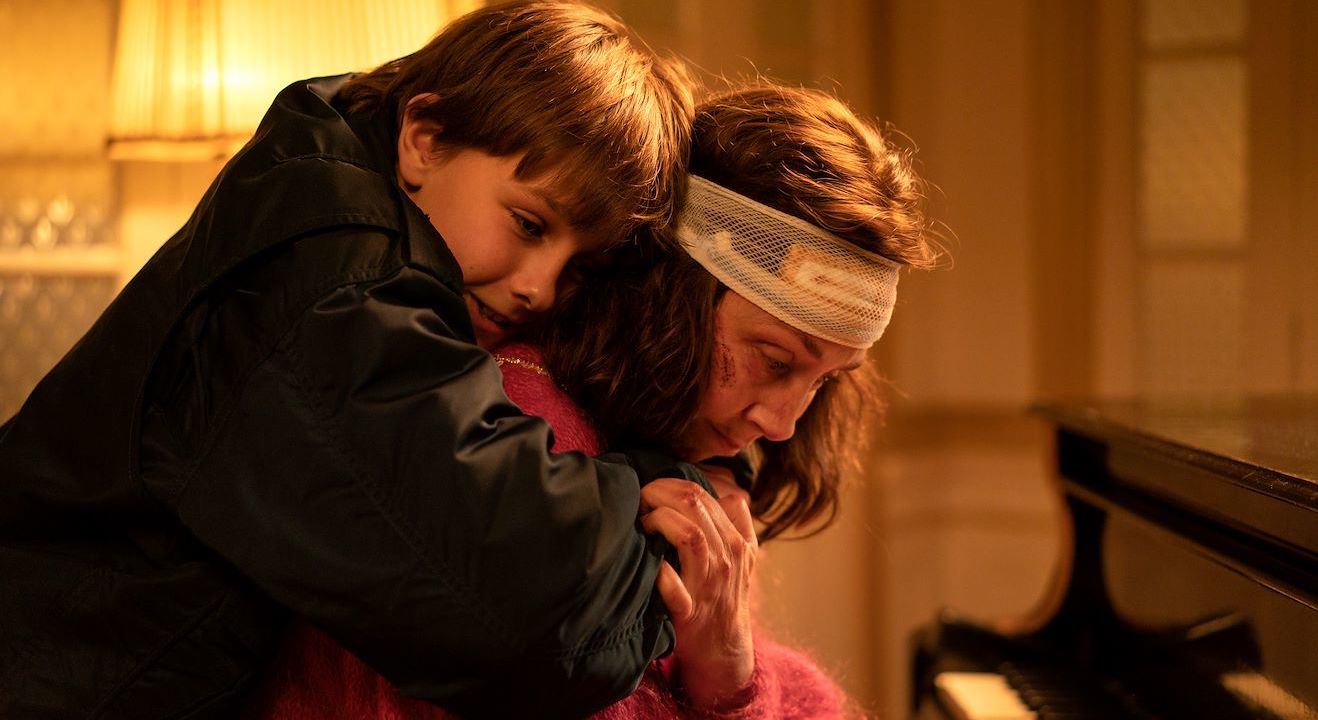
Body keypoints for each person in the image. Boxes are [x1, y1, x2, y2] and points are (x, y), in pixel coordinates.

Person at [0, 3, 707, 718]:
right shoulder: (336, 286)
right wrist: (661, 497)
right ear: (424, 139)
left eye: (580, 267)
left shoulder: (325, 195)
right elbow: (528, 614)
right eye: (528, 223)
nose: (540, 288)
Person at [243, 82, 938, 718]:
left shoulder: (669, 448)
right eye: (774, 360)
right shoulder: (522, 428)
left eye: (825, 380)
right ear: (671, 291)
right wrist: (730, 688)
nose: (782, 424)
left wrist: (732, 674)